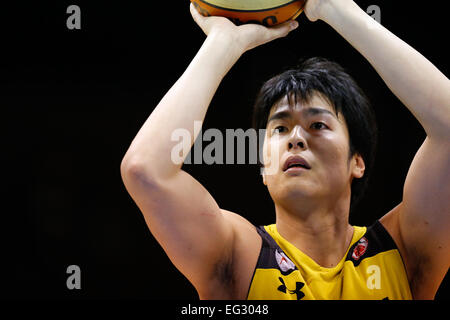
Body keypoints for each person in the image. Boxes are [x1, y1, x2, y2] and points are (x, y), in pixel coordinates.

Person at [120, 0, 449, 299]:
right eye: (279, 128)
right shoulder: (238, 257)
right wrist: (222, 44)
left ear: (357, 162)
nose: (296, 138)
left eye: (318, 125)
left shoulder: (404, 251)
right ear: (264, 166)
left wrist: (338, 11)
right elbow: (146, 171)